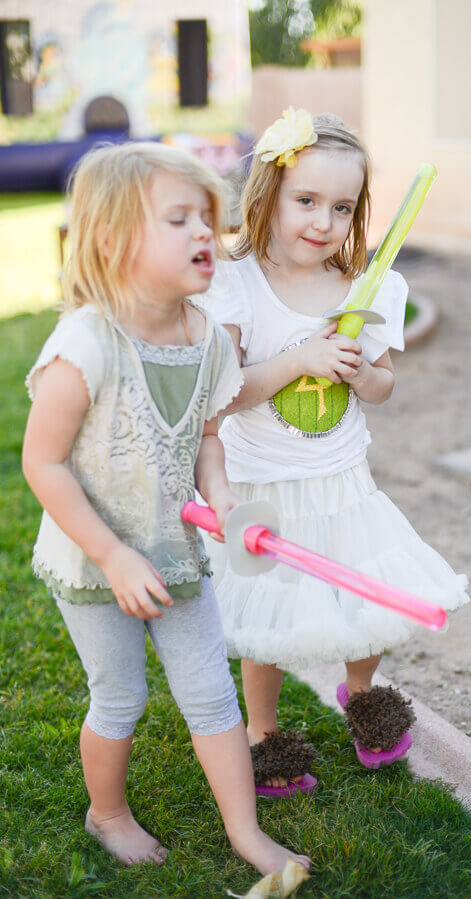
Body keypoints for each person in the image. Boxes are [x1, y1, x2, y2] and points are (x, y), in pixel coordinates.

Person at [21, 142, 310, 873]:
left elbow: (209, 437)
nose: (205, 233)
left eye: (207, 218)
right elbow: (42, 462)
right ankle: (107, 811)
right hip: (95, 558)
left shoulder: (208, 340)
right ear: (114, 241)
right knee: (119, 697)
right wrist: (113, 554)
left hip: (175, 551)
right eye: (179, 219)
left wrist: (222, 498)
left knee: (212, 691)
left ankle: (247, 833)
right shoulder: (85, 343)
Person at [200, 108, 470, 798]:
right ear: (269, 196)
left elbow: (382, 386)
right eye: (307, 201)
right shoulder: (240, 284)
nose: (323, 221)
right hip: (262, 485)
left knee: (364, 597)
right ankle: (265, 734)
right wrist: (301, 357)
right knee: (267, 621)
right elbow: (223, 395)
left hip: (341, 481)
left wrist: (357, 371)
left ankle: (363, 698)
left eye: (342, 207)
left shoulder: (363, 289)